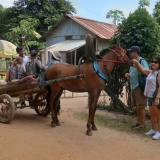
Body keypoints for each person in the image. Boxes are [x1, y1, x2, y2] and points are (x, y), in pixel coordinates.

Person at [132, 56, 160, 140]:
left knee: (158, 115)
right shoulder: (151, 72)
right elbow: (143, 70)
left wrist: (158, 98)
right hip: (150, 96)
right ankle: (153, 129)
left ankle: (159, 132)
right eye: (152, 61)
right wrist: (137, 63)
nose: (153, 63)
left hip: (156, 96)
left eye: (155, 62)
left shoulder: (159, 73)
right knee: (152, 114)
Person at [125, 46, 149, 129]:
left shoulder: (142, 61)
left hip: (140, 86)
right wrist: (128, 74)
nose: (130, 53)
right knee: (137, 106)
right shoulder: (132, 62)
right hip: (133, 86)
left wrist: (138, 66)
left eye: (131, 52)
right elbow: (132, 72)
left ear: (135, 52)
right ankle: (139, 122)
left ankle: (143, 124)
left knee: (141, 106)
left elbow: (146, 72)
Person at [46, 50, 62, 115]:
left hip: (52, 82)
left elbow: (47, 69)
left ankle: (50, 108)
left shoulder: (51, 63)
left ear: (53, 56)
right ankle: (57, 109)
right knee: (57, 96)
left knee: (51, 94)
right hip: (60, 82)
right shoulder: (61, 63)